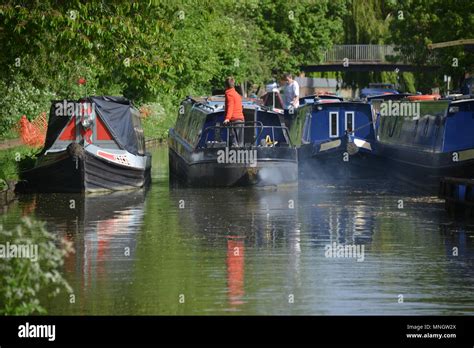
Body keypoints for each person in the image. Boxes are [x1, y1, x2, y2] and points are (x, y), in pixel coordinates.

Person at [223, 77, 245, 147]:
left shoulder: (229, 94)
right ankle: (241, 155)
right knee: (240, 143)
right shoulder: (236, 94)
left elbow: (230, 106)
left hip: (234, 120)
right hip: (241, 119)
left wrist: (227, 118)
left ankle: (233, 155)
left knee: (234, 143)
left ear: (226, 85)